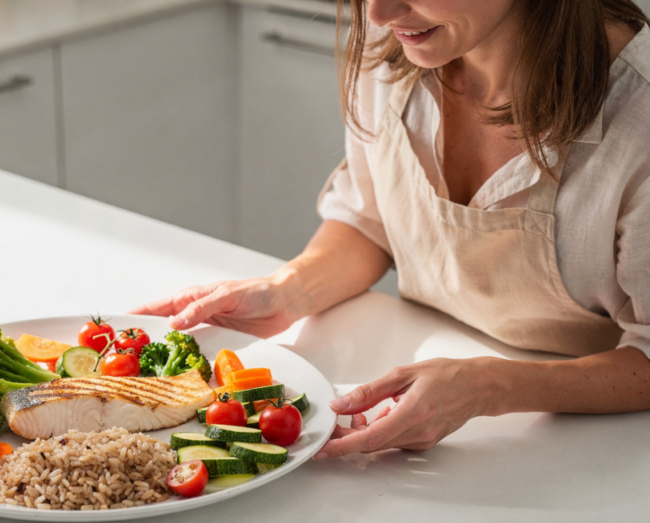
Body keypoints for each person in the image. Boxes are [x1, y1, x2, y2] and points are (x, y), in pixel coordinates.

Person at [131, 0, 650, 458]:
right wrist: (289, 290)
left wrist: (492, 387)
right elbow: (371, 219)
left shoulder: (639, 116)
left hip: (594, 449)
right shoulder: (400, 42)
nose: (376, 13)